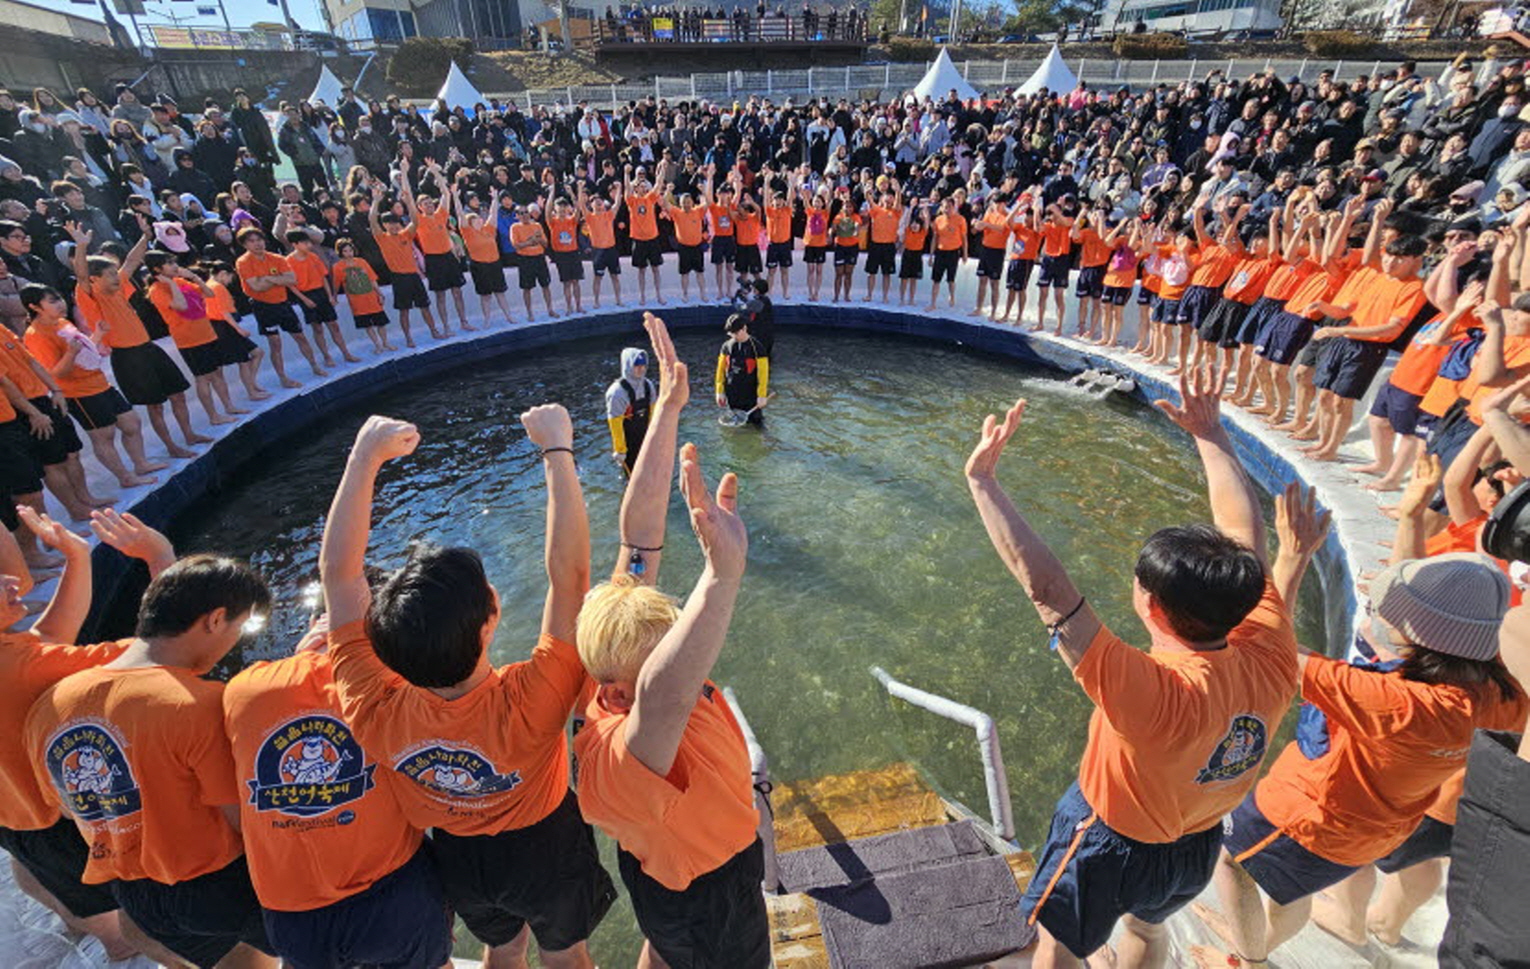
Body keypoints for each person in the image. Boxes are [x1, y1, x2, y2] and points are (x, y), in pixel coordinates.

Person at [963, 369, 1303, 969]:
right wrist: (1210, 434)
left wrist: (983, 482)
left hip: (1106, 845)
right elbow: (1241, 532)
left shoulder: (1152, 691)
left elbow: (1047, 589)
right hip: (1195, 845)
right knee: (1145, 934)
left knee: (1058, 948)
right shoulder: (1271, 650)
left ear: (1149, 604)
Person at [320, 408, 616, 969]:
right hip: (546, 845)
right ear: (493, 617)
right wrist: (557, 449)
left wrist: (362, 458)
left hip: (456, 855)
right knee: (567, 955)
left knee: (501, 949)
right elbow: (572, 576)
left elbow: (338, 576)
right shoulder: (533, 699)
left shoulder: (372, 704)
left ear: (382, 647)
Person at [1197, 550, 1525, 968]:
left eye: (1387, 612)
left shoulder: (1397, 703)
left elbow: (1264, 653)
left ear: (1422, 638)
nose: (1376, 615)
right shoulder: (1501, 697)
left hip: (1305, 817)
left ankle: (1249, 959)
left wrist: (1293, 560)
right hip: (1379, 829)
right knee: (1289, 890)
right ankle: (1259, 946)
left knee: (1233, 865)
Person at [576, 314, 768, 968]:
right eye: (665, 647)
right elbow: (666, 693)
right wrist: (722, 574)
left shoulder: (608, 646)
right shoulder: (633, 741)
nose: (676, 646)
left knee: (662, 943)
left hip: (660, 868)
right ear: (622, 690)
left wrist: (666, 409)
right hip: (711, 889)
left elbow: (637, 542)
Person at [24, 551, 277, 969]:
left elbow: (71, 811)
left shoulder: (50, 704)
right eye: (239, 626)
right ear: (215, 620)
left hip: (137, 894)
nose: (236, 639)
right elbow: (243, 819)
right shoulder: (199, 704)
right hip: (220, 885)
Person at [0, 506, 137, 961]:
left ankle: (68, 915)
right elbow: (155, 651)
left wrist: (78, 557)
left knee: (32, 864)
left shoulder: (13, 652)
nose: (12, 582)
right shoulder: (21, 668)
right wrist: (161, 561)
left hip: (12, 810)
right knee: (106, 910)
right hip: (50, 816)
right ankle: (118, 947)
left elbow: (51, 637)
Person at [67, 224, 208, 462]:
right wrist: (81, 246)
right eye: (110, 274)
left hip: (148, 348)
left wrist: (145, 236)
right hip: (128, 357)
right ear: (95, 279)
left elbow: (131, 261)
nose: (117, 276)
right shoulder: (90, 295)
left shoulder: (117, 288)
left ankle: (189, 435)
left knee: (178, 393)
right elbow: (81, 274)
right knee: (155, 405)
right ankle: (172, 446)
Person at [19, 285, 161, 490]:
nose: (61, 303)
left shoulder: (63, 322)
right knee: (104, 436)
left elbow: (84, 352)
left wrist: (98, 335)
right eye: (53, 301)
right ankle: (125, 477)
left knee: (132, 423)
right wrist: (70, 353)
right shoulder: (36, 334)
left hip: (100, 383)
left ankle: (141, 465)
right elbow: (55, 373)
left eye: (59, 297)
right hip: (79, 393)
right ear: (35, 307)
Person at [142, 251, 246, 428]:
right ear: (157, 269)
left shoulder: (180, 281)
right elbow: (181, 306)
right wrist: (169, 284)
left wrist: (194, 277)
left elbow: (209, 294)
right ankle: (213, 415)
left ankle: (229, 407)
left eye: (174, 262)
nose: (175, 266)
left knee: (217, 373)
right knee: (203, 378)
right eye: (169, 263)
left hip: (207, 332)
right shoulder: (157, 290)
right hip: (190, 339)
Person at [235, 227, 327, 387]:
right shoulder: (243, 262)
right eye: (252, 241)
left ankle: (314, 365)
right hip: (263, 306)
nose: (257, 244)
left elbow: (291, 279)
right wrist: (277, 278)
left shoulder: (276, 258)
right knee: (275, 342)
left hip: (283, 303)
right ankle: (283, 378)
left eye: (259, 240)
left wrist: (267, 279)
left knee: (300, 336)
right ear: (245, 245)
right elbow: (256, 287)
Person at [367, 182, 441, 345]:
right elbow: (372, 221)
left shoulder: (405, 235)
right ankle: (408, 338)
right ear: (385, 225)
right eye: (389, 223)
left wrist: (409, 203)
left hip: (414, 276)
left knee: (425, 306)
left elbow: (415, 220)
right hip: (399, 278)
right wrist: (376, 201)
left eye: (395, 223)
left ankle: (434, 331)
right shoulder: (382, 238)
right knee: (404, 310)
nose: (393, 226)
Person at [285, 228, 360, 367]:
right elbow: (291, 285)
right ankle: (326, 356)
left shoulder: (313, 257)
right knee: (317, 328)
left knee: (333, 325)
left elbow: (323, 276)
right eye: (304, 243)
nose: (308, 246)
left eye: (308, 242)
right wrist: (305, 300)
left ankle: (346, 353)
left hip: (321, 292)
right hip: (306, 295)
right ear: (295, 244)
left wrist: (330, 295)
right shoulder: (288, 262)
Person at [331, 237, 397, 354]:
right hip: (357, 301)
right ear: (340, 252)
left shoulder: (362, 262)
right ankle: (377, 345)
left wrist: (379, 293)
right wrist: (334, 296)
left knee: (380, 322)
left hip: (371, 297)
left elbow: (372, 279)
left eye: (350, 250)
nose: (348, 254)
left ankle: (385, 342)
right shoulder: (338, 267)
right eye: (345, 251)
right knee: (368, 325)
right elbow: (337, 284)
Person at [606, 346, 655, 476]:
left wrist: (654, 437)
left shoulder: (648, 386)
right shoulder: (617, 393)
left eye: (643, 365)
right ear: (627, 365)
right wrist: (620, 450)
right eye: (637, 366)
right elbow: (615, 423)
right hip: (628, 443)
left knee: (650, 473)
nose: (641, 369)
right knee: (632, 478)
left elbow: (653, 413)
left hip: (645, 437)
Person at [716, 312, 769, 426]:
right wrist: (720, 392)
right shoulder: (726, 346)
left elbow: (763, 374)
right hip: (732, 393)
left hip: (751, 395)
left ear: (744, 328)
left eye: (736, 333)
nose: (734, 336)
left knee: (756, 424)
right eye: (731, 333)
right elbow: (721, 370)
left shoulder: (757, 348)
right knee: (735, 425)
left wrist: (762, 395)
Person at [624, 165, 665, 305]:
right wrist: (626, 173)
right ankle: (642, 296)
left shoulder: (649, 199)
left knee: (656, 269)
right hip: (639, 240)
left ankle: (659, 295)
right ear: (636, 189)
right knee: (641, 270)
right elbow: (627, 189)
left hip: (652, 238)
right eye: (640, 187)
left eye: (644, 187)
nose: (643, 188)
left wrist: (662, 170)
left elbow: (659, 185)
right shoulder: (632, 201)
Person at [510, 203, 556, 321]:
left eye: (526, 212)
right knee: (527, 288)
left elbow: (546, 244)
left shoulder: (537, 225)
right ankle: (530, 313)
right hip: (525, 260)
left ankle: (550, 309)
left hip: (539, 258)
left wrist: (539, 239)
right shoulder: (515, 227)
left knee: (545, 285)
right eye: (521, 213)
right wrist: (530, 242)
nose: (525, 215)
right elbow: (516, 246)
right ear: (517, 216)